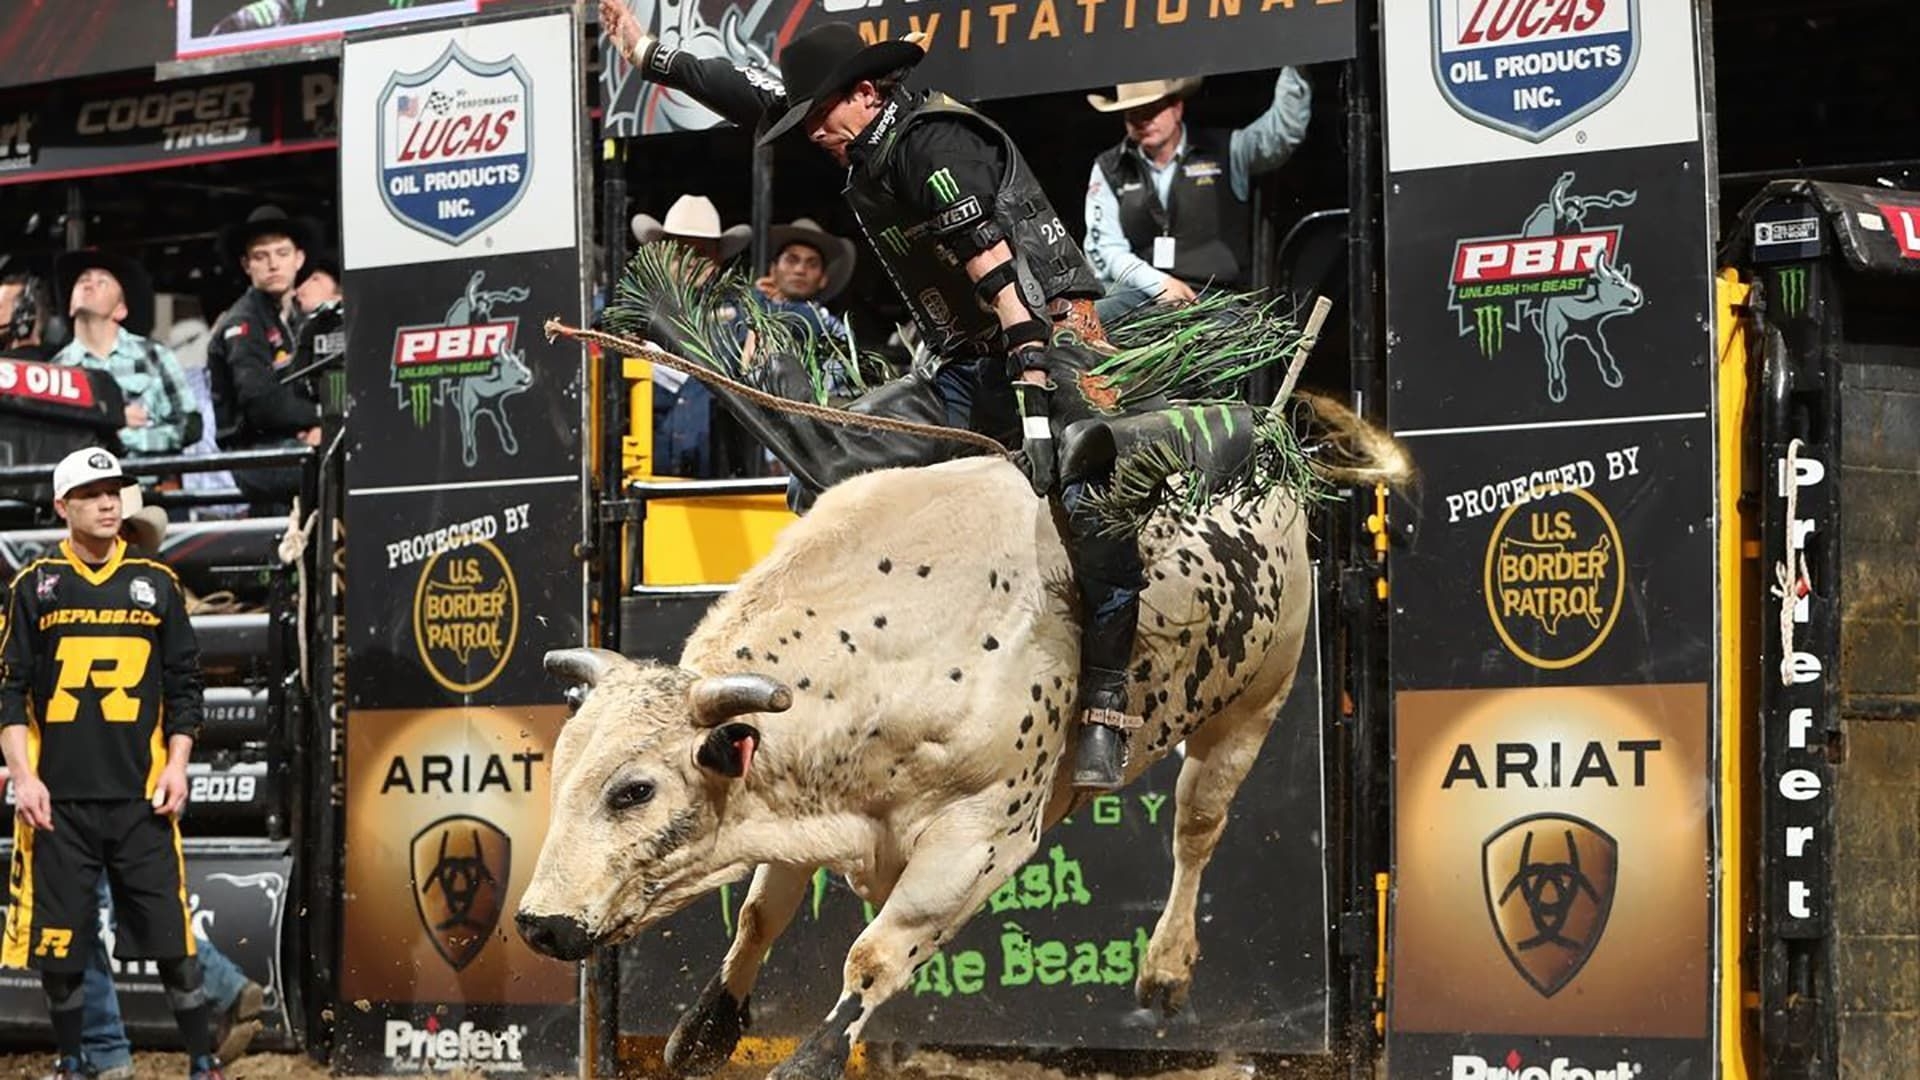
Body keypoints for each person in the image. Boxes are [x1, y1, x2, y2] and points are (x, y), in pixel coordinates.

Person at [602, 4, 1227, 788]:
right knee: (833, 462)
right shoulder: (860, 132)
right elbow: (748, 91)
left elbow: (990, 260)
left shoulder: (933, 141)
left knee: (1090, 481)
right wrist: (651, 55)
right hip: (963, 363)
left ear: (863, 94)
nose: (814, 132)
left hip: (1052, 337)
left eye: (821, 114)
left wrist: (1032, 375)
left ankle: (1104, 696)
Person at [0, 448, 228, 1080]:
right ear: (62, 506)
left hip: (141, 795)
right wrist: (23, 775)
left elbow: (186, 685)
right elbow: (9, 689)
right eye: (92, 492)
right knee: (61, 949)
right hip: (59, 804)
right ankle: (77, 1062)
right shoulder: (34, 585)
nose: (108, 502)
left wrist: (177, 765)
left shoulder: (156, 582)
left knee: (173, 941)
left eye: (114, 491)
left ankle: (203, 1061)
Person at [1083, 70, 1310, 307]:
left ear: (1177, 108)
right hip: (1141, 296)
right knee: (1098, 313)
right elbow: (1106, 249)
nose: (1143, 121)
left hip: (1216, 299)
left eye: (1152, 110)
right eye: (1133, 114)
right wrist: (1158, 284)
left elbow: (1281, 135)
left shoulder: (1226, 149)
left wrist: (1296, 69)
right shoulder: (1109, 167)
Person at [205, 206, 324, 512]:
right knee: (346, 464)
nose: (273, 264)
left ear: (298, 259)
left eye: (282, 253)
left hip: (292, 446)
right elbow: (260, 403)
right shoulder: (242, 321)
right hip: (257, 456)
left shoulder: (298, 319)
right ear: (247, 265)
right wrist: (321, 419)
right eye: (261, 256)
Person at [633, 195, 751, 478]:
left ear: (717, 260)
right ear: (661, 255)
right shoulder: (633, 309)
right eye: (679, 251)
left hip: (718, 482)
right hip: (643, 480)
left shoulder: (745, 315)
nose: (689, 260)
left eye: (701, 251)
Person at [52, 250, 202, 457]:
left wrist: (123, 438)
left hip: (144, 484)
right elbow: (52, 440)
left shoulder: (153, 355)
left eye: (101, 282)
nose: (88, 285)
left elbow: (190, 427)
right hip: (86, 488)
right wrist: (112, 419)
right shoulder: (56, 370)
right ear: (71, 306)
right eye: (82, 281)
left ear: (120, 309)